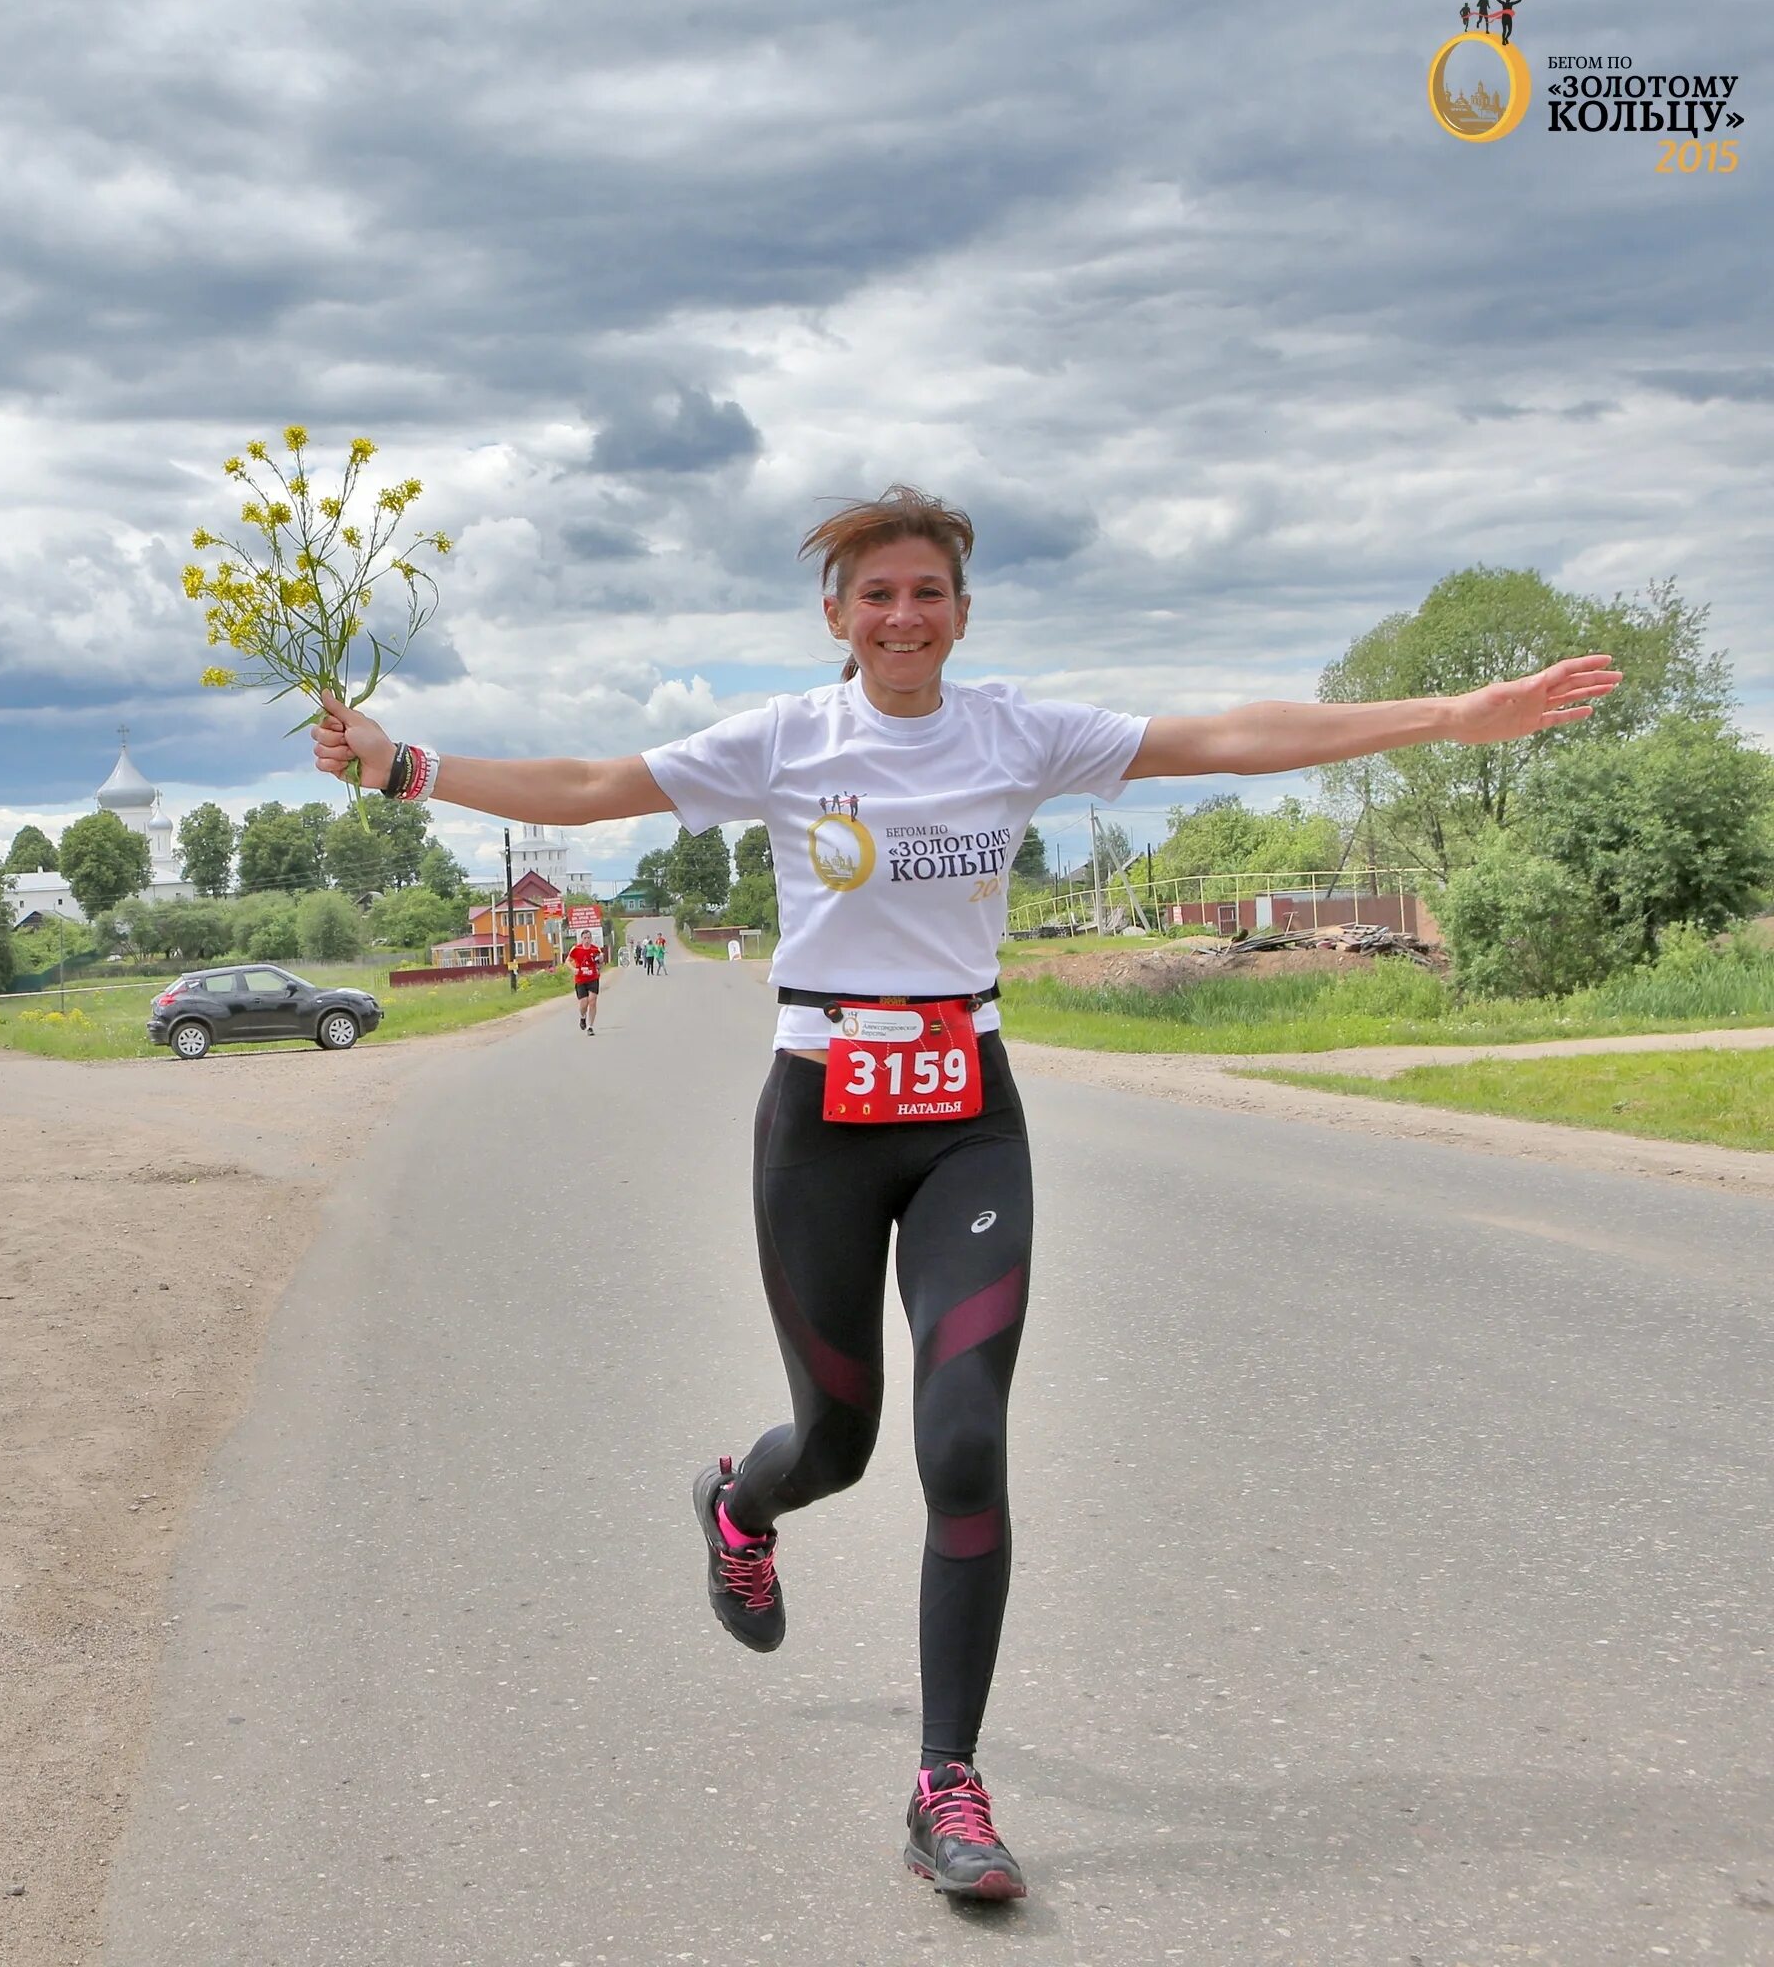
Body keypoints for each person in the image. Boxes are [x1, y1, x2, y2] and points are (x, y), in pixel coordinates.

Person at [314, 484, 1615, 1903]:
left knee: (964, 1441)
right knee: (840, 1441)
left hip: (965, 1120)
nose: (902, 616)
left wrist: (1446, 715)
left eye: (926, 591)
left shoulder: (1016, 731)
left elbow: (1227, 738)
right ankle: (740, 1508)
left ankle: (947, 1784)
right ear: (836, 619)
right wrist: (405, 767)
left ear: (961, 611)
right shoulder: (787, 740)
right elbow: (589, 787)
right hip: (818, 1120)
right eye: (875, 595)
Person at [567, 928, 604, 1034]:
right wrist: (573, 969)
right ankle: (583, 1017)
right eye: (585, 938)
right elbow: (567, 961)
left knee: (592, 1001)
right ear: (581, 939)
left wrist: (600, 963)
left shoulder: (596, 950)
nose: (587, 940)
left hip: (593, 978)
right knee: (584, 1003)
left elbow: (600, 964)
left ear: (591, 939)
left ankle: (590, 1026)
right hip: (580, 979)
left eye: (588, 938)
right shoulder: (576, 949)